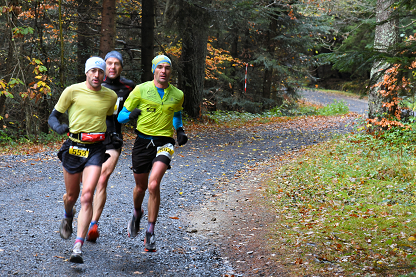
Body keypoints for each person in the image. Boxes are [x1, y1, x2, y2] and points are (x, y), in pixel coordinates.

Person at [48, 57, 121, 263]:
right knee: (72, 196)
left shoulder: (110, 95)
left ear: (104, 74)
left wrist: (113, 134)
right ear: (86, 73)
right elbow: (53, 116)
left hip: (96, 149)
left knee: (87, 195)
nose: (97, 75)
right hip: (73, 147)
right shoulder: (72, 91)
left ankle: (77, 246)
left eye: (100, 71)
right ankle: (68, 214)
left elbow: (109, 118)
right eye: (93, 71)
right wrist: (57, 127)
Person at [117, 54, 188, 252]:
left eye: (167, 68)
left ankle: (150, 231)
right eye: (160, 67)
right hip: (142, 142)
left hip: (164, 142)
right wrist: (130, 115)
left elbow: (176, 113)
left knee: (154, 184)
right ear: (154, 70)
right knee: (140, 188)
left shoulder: (178, 94)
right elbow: (121, 117)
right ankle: (137, 213)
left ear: (170, 71)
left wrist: (180, 130)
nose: (164, 71)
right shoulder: (141, 90)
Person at [86, 51, 135, 242]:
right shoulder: (95, 83)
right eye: (109, 64)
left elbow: (140, 103)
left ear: (121, 67)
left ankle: (93, 224)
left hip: (113, 138)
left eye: (116, 64)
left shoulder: (129, 86)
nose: (113, 67)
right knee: (86, 183)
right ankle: (79, 211)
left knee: (102, 178)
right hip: (91, 138)